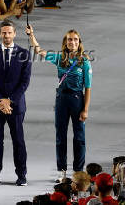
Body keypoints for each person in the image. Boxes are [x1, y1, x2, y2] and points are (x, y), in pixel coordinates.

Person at [26, 26, 92, 181]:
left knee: (79, 137)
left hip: (77, 100)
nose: (72, 42)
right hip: (61, 99)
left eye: (75, 39)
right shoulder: (59, 58)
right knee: (60, 136)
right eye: (69, 39)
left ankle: (78, 171)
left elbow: (88, 87)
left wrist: (86, 109)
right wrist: (32, 34)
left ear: (79, 42)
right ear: (65, 42)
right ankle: (61, 171)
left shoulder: (84, 62)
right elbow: (39, 51)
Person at [0, 19, 32, 186]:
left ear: (15, 34)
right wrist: (1, 102)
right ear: (0, 34)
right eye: (4, 32)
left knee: (18, 140)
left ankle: (22, 174)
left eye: (10, 32)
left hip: (16, 106)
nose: (7, 35)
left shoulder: (24, 54)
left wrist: (9, 101)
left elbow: (24, 82)